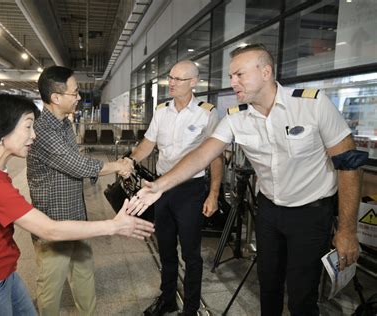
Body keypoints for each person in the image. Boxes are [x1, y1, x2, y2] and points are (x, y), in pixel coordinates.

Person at [128, 44, 366, 316]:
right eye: (231, 76)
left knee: (302, 295)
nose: (233, 82)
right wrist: (158, 186)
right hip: (268, 212)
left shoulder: (311, 104)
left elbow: (348, 165)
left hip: (310, 215)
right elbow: (202, 155)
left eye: (239, 75)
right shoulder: (236, 117)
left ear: (265, 72)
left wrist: (347, 230)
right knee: (268, 287)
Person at [0, 94, 154, 315]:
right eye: (28, 127)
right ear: (2, 132)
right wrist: (115, 226)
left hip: (3, 274)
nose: (34, 135)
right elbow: (50, 229)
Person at [26, 66, 134, 316]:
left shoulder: (64, 125)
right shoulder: (43, 130)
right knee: (51, 285)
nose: (78, 97)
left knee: (84, 274)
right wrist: (118, 165)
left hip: (76, 214)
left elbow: (76, 164)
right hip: (53, 222)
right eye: (74, 93)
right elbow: (77, 165)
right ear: (56, 97)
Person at [129, 60, 223, 316]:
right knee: (166, 248)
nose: (171, 83)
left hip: (190, 190)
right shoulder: (161, 111)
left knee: (191, 254)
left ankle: (191, 309)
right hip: (162, 189)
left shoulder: (207, 112)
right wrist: (128, 161)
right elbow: (148, 144)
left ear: (193, 82)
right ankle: (168, 298)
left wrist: (213, 194)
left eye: (178, 79)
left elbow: (215, 156)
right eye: (170, 77)